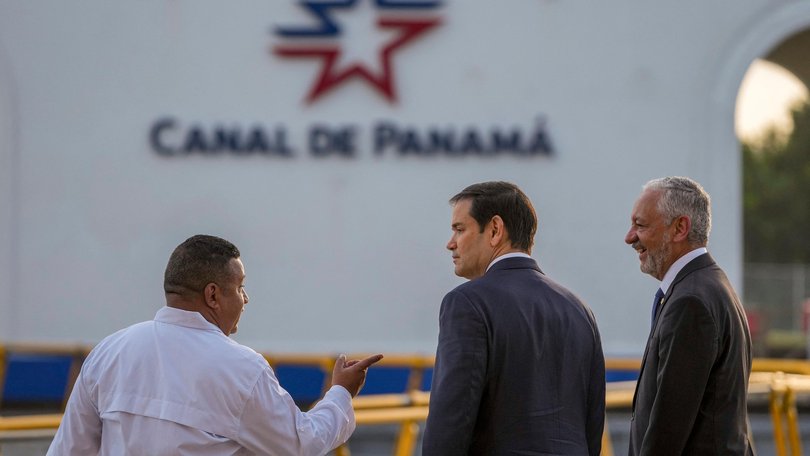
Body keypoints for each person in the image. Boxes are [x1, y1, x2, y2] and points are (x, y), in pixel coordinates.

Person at [47, 234, 383, 455]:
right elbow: (301, 443)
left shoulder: (109, 352)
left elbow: (70, 450)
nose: (246, 299)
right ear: (213, 295)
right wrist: (340, 392)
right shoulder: (242, 368)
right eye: (240, 287)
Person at [422, 181, 605, 455]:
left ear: (495, 229)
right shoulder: (579, 310)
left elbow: (451, 419)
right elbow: (592, 421)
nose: (450, 244)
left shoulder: (467, 303)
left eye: (460, 229)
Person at [624, 177, 754, 455]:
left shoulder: (690, 301)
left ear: (680, 228)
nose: (630, 237)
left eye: (640, 225)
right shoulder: (710, 286)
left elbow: (669, 428)